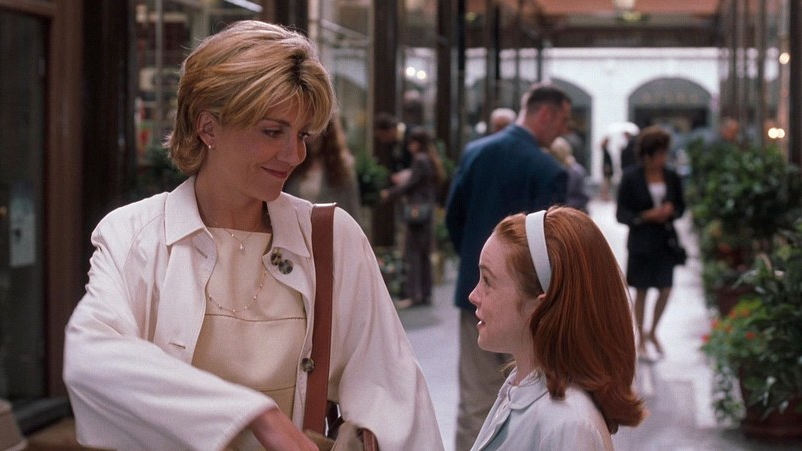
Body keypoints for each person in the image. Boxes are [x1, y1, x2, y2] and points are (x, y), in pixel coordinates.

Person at [63, 20, 443, 450]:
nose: (293, 154)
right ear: (208, 128)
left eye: (302, 135)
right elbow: (91, 356)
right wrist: (255, 414)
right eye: (272, 131)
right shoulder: (134, 235)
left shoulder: (332, 239)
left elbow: (395, 395)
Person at [445, 83, 570, 451]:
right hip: (532, 304)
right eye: (562, 120)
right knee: (536, 397)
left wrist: (482, 273)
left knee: (475, 401)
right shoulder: (548, 169)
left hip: (477, 297)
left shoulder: (476, 153)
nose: (563, 129)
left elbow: (454, 218)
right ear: (544, 114)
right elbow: (557, 247)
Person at [469, 207, 647, 450]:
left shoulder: (568, 424)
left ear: (540, 306)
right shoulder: (522, 387)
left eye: (488, 281)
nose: (473, 295)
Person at [616, 125, 686, 362]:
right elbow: (621, 214)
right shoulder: (631, 177)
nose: (662, 159)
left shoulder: (671, 176)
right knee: (642, 290)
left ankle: (653, 330)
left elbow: (681, 206)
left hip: (665, 239)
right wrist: (645, 216)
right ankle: (641, 339)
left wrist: (670, 212)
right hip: (641, 240)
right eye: (659, 154)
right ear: (648, 154)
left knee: (666, 288)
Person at [380, 127, 445, 309]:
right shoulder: (430, 159)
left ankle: (414, 294)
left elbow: (410, 184)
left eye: (412, 143)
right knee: (423, 252)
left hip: (417, 211)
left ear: (417, 143)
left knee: (413, 252)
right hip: (426, 210)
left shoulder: (420, 159)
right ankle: (425, 292)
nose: (409, 146)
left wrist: (389, 193)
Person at [284, 113, 362, 220]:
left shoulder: (340, 167)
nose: (310, 129)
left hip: (330, 228)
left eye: (315, 122)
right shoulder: (292, 161)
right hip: (294, 226)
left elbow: (353, 210)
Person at [548, 136, 590, 214]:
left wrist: (563, 205)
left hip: (573, 213)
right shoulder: (552, 170)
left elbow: (583, 197)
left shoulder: (576, 171)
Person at [599, 136, 614, 200]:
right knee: (606, 183)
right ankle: (604, 196)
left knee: (606, 183)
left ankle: (604, 196)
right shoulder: (605, 151)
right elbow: (606, 161)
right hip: (607, 169)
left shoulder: (605, 150)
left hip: (607, 168)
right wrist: (607, 167)